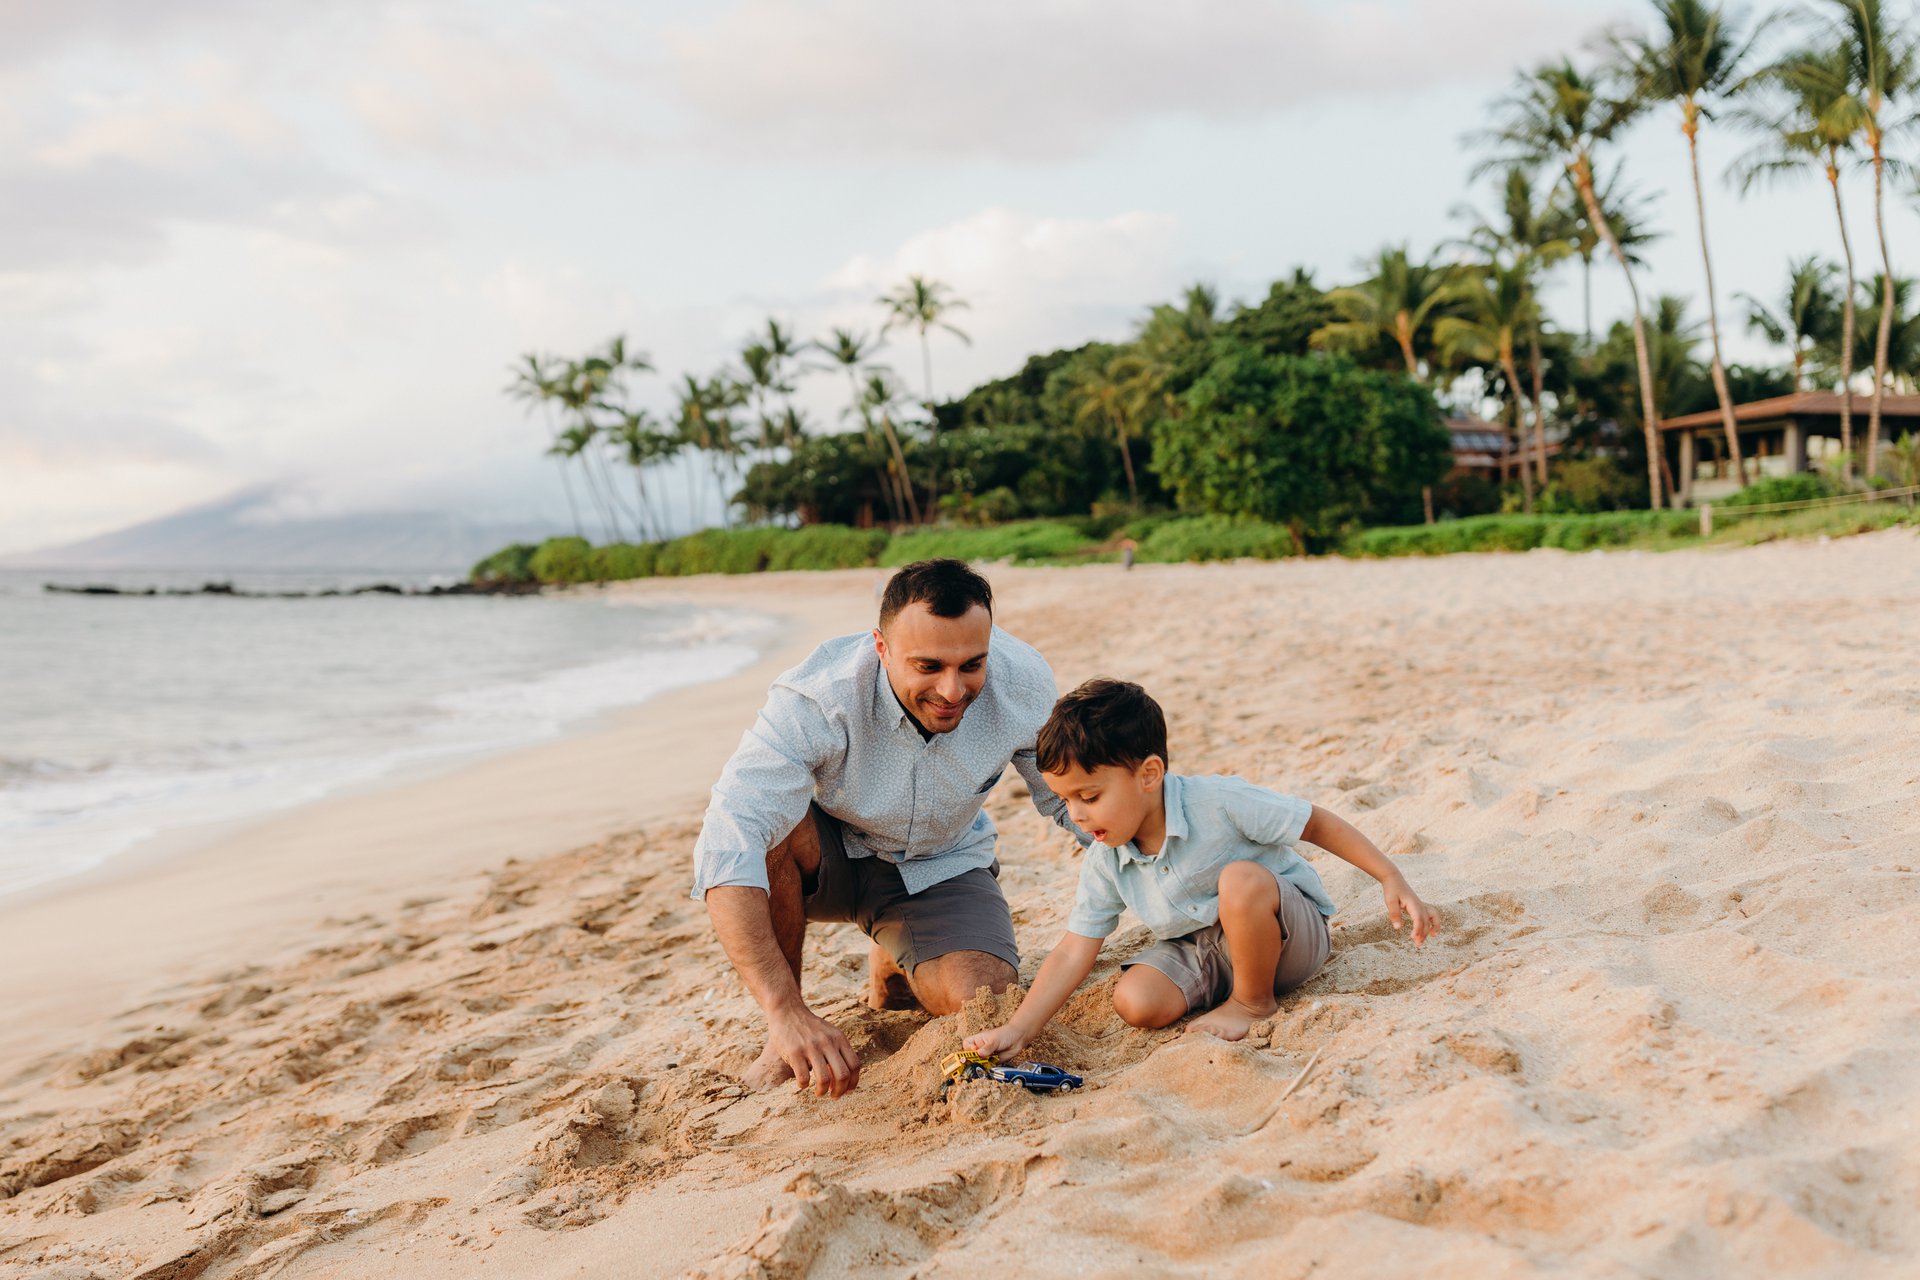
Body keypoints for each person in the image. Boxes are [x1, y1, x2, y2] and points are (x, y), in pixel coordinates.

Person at [694, 559, 1086, 1098]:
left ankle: (894, 953)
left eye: (972, 664)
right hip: (830, 858)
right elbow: (727, 845)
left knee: (986, 1000)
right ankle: (782, 1033)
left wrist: (1174, 857)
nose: (952, 690)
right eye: (928, 666)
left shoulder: (1022, 683)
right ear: (881, 647)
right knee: (765, 829)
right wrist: (784, 1011)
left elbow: (1071, 801)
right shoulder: (817, 699)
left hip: (941, 861)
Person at [966, 678, 1438, 1056]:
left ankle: (1253, 1002)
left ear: (1149, 775)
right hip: (1204, 946)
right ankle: (1229, 993)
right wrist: (1019, 1029)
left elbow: (1314, 824)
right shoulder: (1106, 857)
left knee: (1240, 879)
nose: (1078, 815)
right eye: (1066, 799)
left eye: (1089, 796)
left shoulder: (1218, 802)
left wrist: (1389, 876)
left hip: (1290, 935)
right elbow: (1074, 949)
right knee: (1136, 1001)